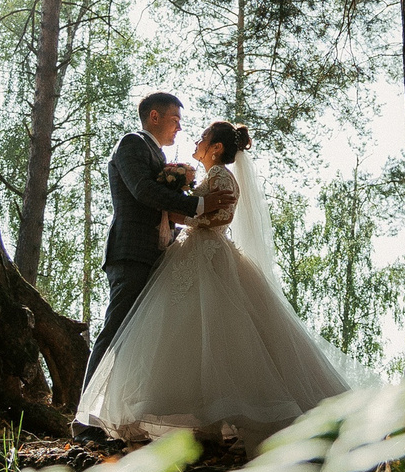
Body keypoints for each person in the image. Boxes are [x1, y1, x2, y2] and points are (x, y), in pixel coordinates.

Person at [76, 118, 355, 446]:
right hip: (185, 252)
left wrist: (191, 213)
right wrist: (188, 210)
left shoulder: (220, 176)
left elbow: (221, 216)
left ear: (216, 147)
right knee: (186, 332)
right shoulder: (201, 173)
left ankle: (211, 416)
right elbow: (195, 210)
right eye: (178, 122)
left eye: (202, 136)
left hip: (206, 254)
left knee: (211, 330)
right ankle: (185, 417)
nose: (193, 138)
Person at [89, 92, 203, 385]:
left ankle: (121, 416)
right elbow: (143, 191)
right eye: (175, 119)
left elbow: (162, 212)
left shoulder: (159, 157)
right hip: (132, 253)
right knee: (115, 332)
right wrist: (199, 207)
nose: (179, 128)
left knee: (141, 340)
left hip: (158, 253)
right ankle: (86, 420)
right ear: (154, 116)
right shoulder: (132, 144)